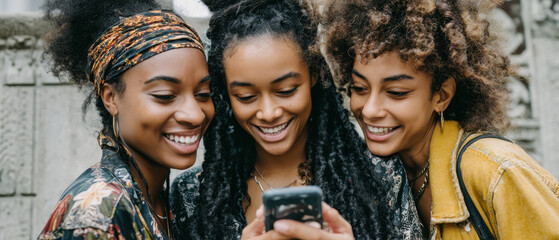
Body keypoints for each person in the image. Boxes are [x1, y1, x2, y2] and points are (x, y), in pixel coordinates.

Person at [170, 0, 422, 239]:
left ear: (313, 75)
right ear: (226, 94)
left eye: (286, 90)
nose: (269, 113)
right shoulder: (193, 196)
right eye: (246, 96)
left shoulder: (380, 176)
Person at [320, 0, 559, 239]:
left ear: (441, 95)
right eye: (359, 88)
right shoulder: (380, 176)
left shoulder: (498, 172)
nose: (370, 110)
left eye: (396, 93)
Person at [38, 0, 213, 239]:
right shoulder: (97, 216)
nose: (195, 114)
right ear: (111, 98)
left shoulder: (160, 201)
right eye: (165, 96)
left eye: (203, 94)